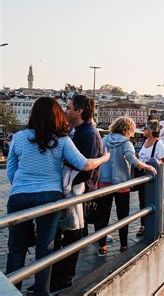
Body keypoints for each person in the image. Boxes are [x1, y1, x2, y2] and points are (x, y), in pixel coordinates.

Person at [6, 97, 110, 295]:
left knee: (16, 248)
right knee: (45, 249)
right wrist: (104, 157)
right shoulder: (62, 139)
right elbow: (84, 165)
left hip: (19, 196)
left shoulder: (19, 137)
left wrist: (22, 187)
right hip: (49, 197)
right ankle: (41, 292)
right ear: (55, 115)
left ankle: (12, 290)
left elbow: (11, 171)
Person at [49, 94, 102, 293]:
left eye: (69, 107)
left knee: (72, 235)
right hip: (72, 191)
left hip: (77, 193)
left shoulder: (87, 133)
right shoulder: (78, 131)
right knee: (65, 235)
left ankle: (63, 279)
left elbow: (85, 169)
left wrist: (65, 181)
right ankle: (58, 277)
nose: (66, 110)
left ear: (79, 111)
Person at [95, 116, 157, 256]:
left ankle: (102, 246)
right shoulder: (126, 143)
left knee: (103, 215)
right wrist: (148, 167)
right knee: (123, 215)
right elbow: (133, 160)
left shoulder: (104, 140)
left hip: (104, 181)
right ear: (128, 129)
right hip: (122, 182)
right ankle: (123, 245)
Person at [135, 120, 164, 236]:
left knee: (151, 201)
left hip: (152, 178)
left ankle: (152, 224)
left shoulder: (158, 144)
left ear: (149, 130)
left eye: (145, 128)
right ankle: (143, 224)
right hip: (142, 176)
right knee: (142, 201)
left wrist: (153, 164)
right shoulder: (145, 142)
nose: (143, 130)